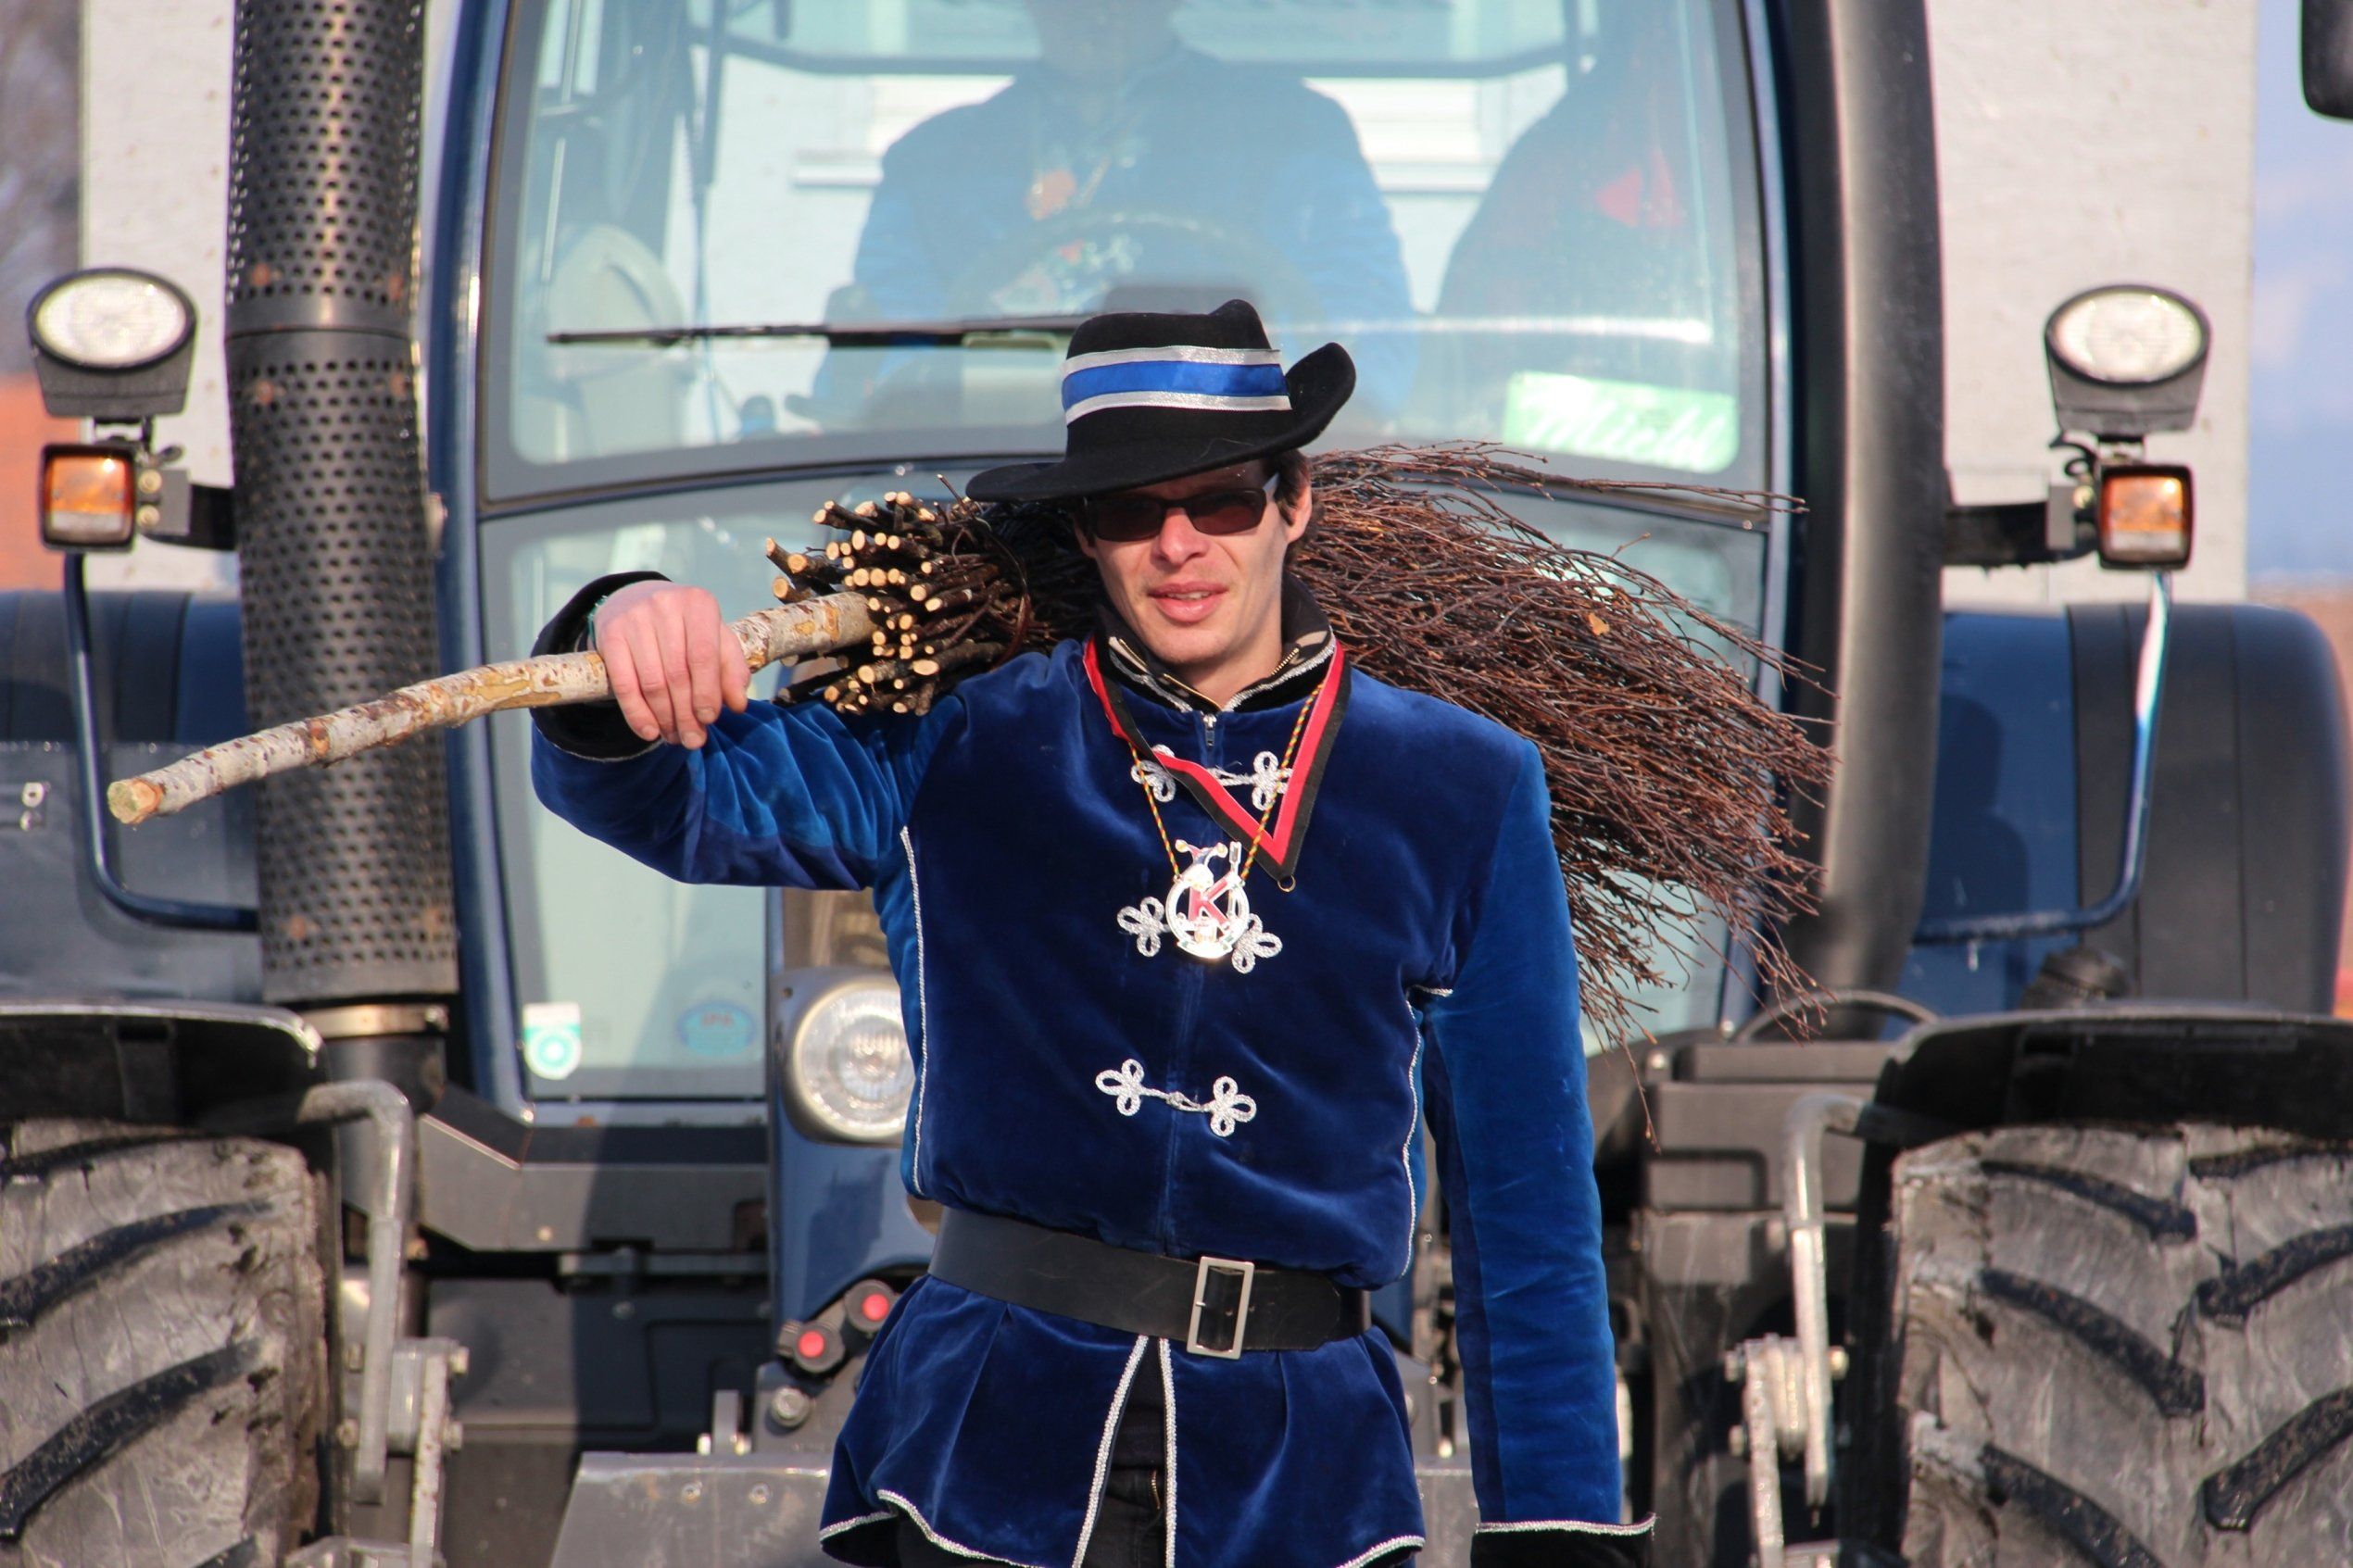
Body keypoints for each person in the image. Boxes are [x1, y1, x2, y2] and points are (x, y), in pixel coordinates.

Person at [529, 300, 1648, 1568]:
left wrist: (1556, 1528)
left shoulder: (1462, 788)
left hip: (1305, 1482)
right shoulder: (960, 739)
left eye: (1219, 500)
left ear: (1292, 503)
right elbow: (680, 803)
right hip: (987, 1455)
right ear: (1084, 532)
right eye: (1129, 510)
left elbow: (1525, 1204)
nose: (1178, 545)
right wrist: (619, 627)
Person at [813, 0, 1416, 420]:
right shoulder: (936, 158)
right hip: (993, 466)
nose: (1097, 10)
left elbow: (1362, 321)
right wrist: (917, 398)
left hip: (1229, 467)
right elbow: (896, 345)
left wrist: (1317, 419)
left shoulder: (1293, 131)